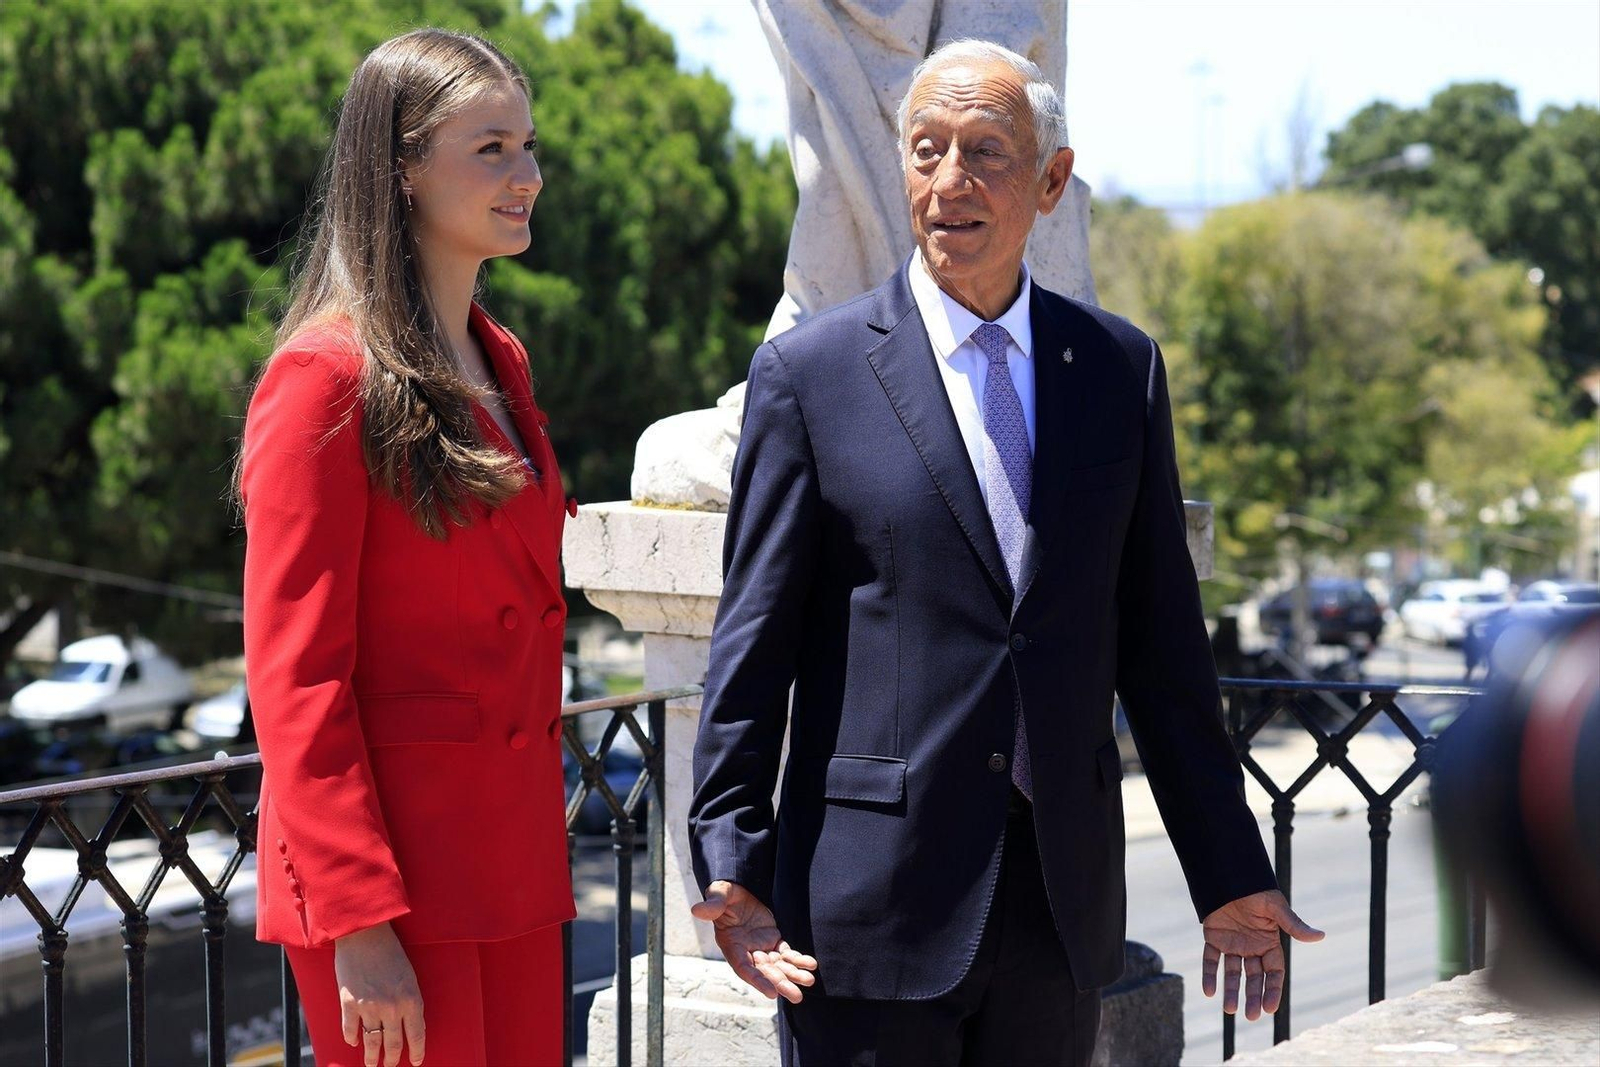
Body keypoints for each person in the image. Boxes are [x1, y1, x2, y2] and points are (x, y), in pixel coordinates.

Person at [688, 39, 1323, 1066]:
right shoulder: (809, 374)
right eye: (926, 150)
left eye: (984, 151)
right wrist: (730, 855)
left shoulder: (1118, 370)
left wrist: (1228, 869)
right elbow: (750, 642)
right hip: (867, 914)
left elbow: (1163, 649)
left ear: (1051, 180)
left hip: (1057, 909)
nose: (949, 182)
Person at [239, 29, 572, 1067]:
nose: (527, 174)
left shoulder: (498, 352)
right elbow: (295, 677)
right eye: (490, 149)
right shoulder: (322, 378)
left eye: (526, 145)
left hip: (509, 859)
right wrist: (357, 920)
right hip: (394, 883)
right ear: (400, 165)